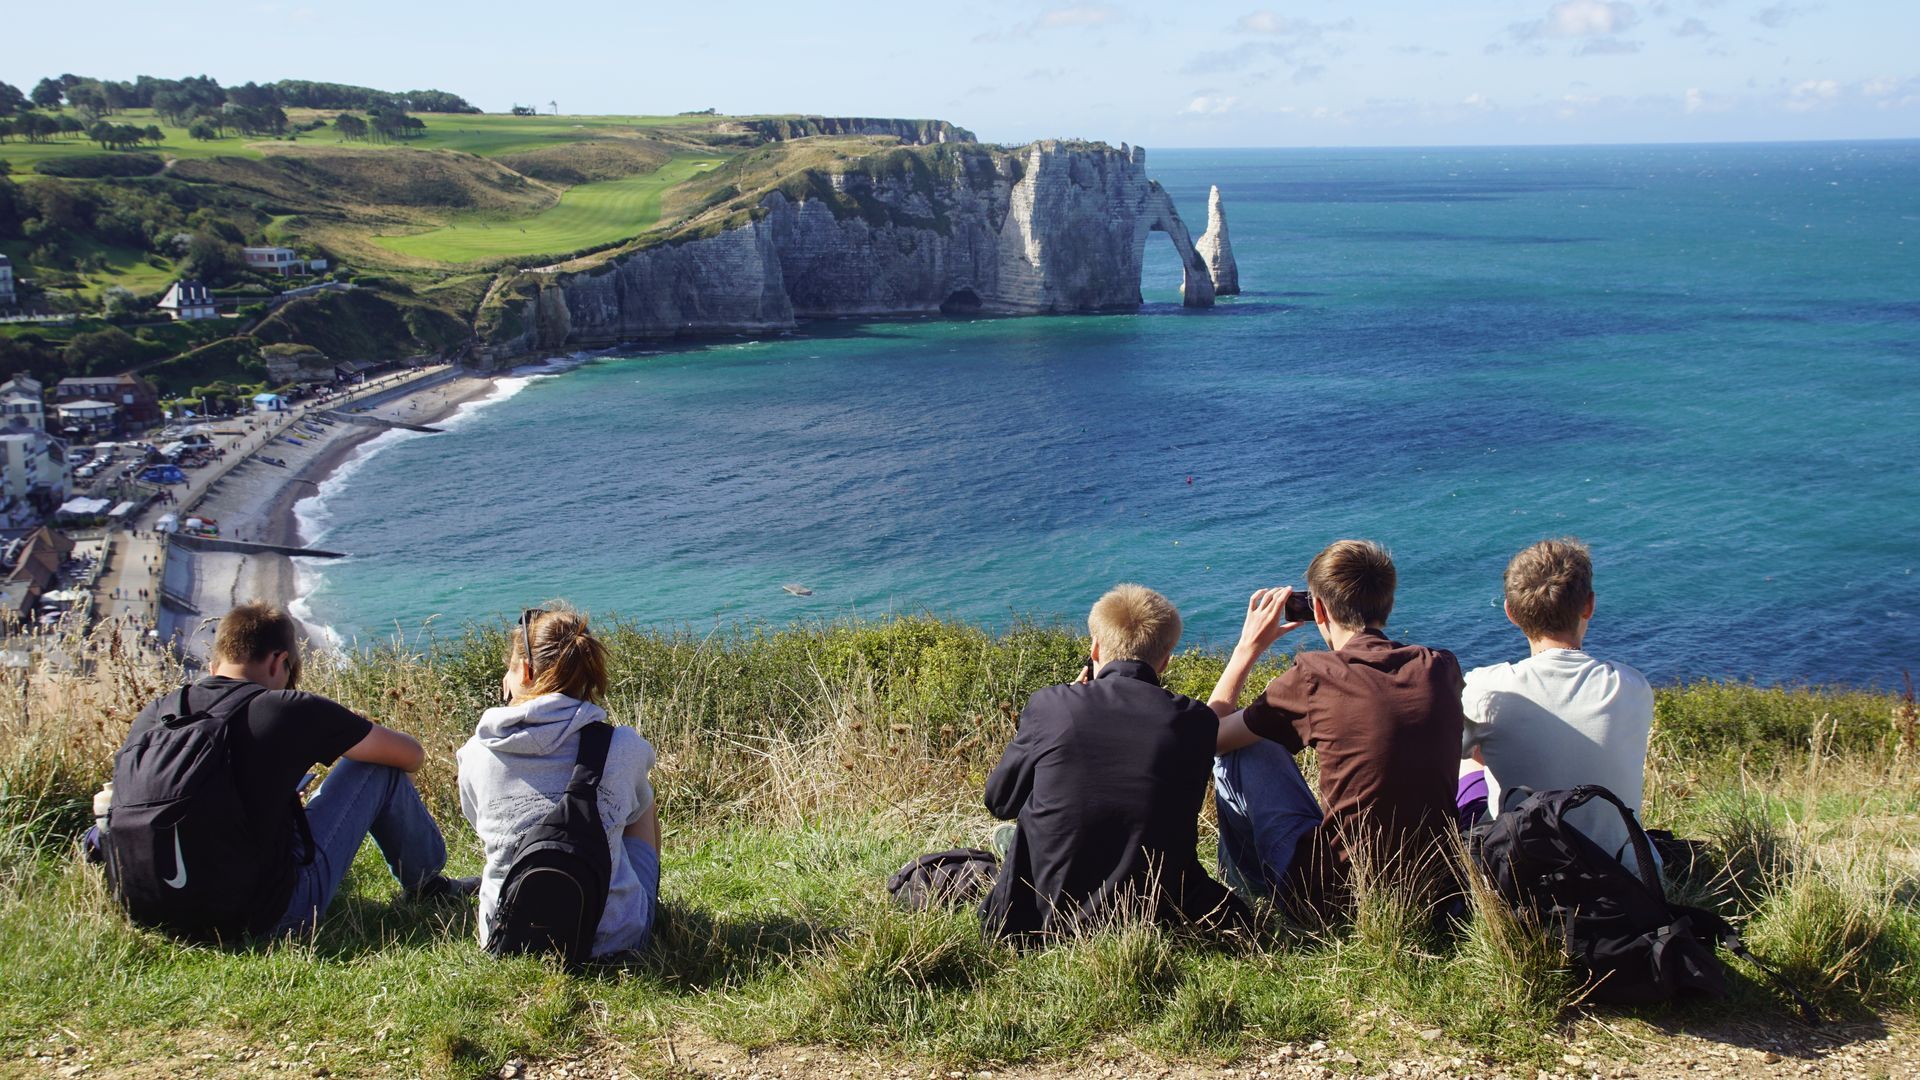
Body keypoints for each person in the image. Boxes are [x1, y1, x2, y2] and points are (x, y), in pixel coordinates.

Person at [112, 602, 470, 939]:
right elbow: (411, 754)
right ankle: (427, 885)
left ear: (215, 664)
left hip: (152, 909)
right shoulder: (285, 708)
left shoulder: (156, 713)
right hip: (262, 917)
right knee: (380, 767)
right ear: (278, 661)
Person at [1208, 540, 1465, 916]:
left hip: (1340, 897)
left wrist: (1247, 649)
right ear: (1387, 604)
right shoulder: (1441, 667)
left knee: (1244, 748)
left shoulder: (1314, 676)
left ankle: (1248, 889)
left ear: (1318, 609)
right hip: (1437, 889)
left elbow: (1211, 735)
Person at [981, 584, 1247, 943]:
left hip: (1042, 918)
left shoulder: (1053, 706)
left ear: (1094, 649)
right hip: (1158, 910)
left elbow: (1000, 801)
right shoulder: (1196, 721)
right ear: (1166, 660)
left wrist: (1061, 706)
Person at [457, 606, 661, 958]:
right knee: (642, 801)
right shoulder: (621, 746)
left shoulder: (476, 752)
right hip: (612, 940)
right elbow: (631, 814)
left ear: (524, 670)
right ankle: (635, 906)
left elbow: (477, 821)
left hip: (506, 937)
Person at [1460, 538, 1656, 874]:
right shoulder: (1631, 685)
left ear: (1511, 612)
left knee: (1467, 766)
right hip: (1631, 878)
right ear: (1589, 605)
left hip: (1525, 886)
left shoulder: (1484, 687)